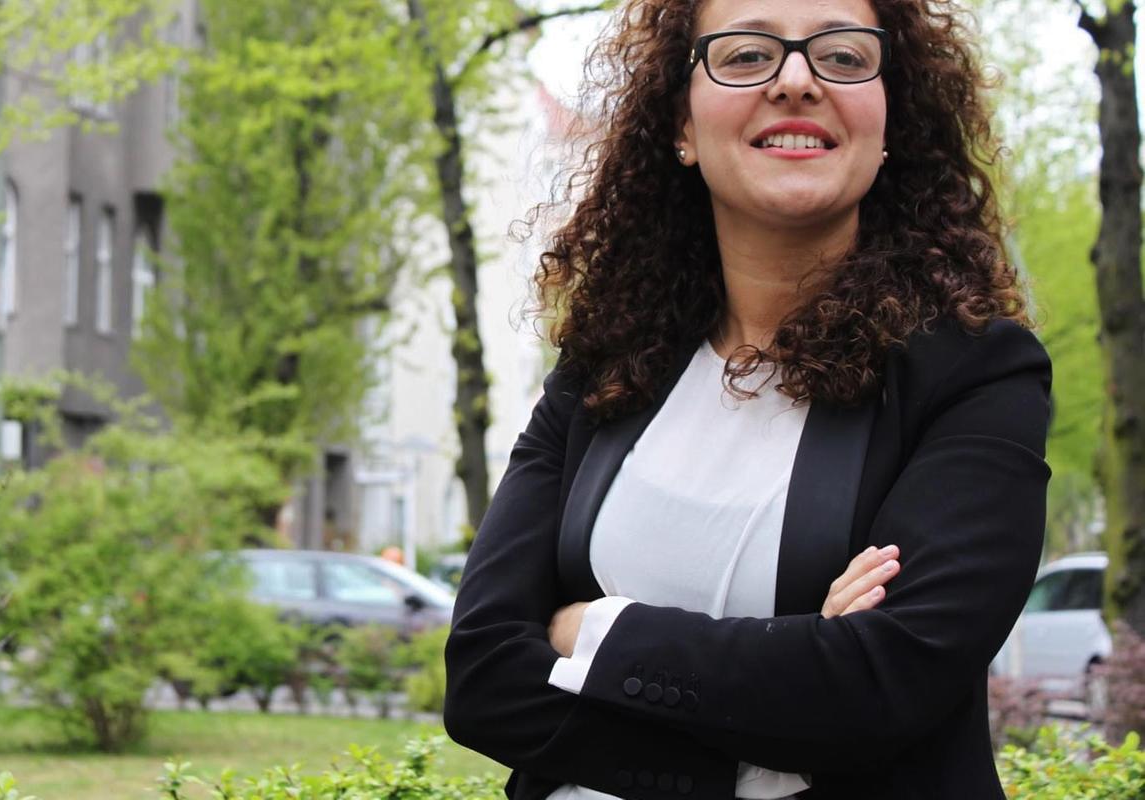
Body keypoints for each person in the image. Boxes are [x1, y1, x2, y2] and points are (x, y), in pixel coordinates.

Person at [442, 0, 1050, 798]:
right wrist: (761, 732)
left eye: (840, 56)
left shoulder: (977, 375)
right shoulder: (608, 366)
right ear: (681, 127)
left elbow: (881, 685)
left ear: (890, 117)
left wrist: (592, 629)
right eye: (745, 55)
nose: (796, 80)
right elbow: (483, 674)